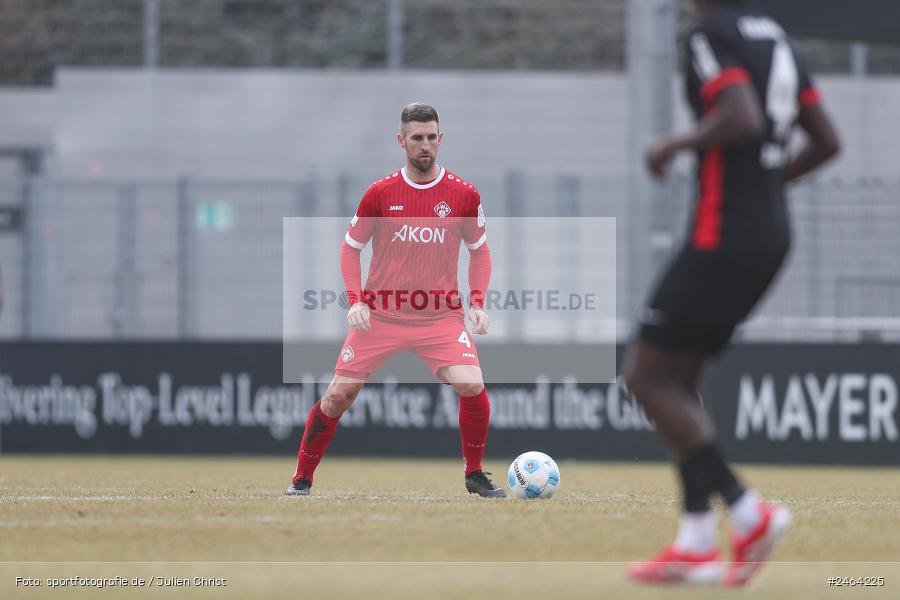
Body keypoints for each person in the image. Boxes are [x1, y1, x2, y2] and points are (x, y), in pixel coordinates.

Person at [625, 0, 840, 587]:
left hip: (723, 230)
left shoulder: (708, 36)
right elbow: (827, 141)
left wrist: (673, 144)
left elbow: (740, 117)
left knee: (646, 374)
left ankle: (747, 513)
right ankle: (696, 540)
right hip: (771, 231)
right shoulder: (780, 39)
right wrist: (769, 187)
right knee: (683, 373)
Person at [286, 102, 505, 498]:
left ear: (441, 139)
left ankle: (474, 474)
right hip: (381, 316)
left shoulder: (463, 195)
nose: (425, 145)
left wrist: (477, 302)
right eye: (417, 138)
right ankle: (302, 479)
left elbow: (481, 251)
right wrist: (356, 301)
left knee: (472, 384)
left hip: (439, 317)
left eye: (431, 137)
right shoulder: (381, 194)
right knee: (337, 397)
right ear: (401, 141)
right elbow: (350, 248)